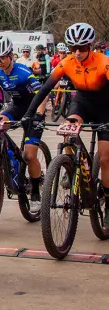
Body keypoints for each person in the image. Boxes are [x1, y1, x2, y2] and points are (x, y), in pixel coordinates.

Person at [23, 23, 109, 227]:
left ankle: (108, 201)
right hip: (82, 103)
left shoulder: (103, 61)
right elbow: (45, 89)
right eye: (73, 48)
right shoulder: (67, 62)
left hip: (105, 106)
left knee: (106, 159)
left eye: (82, 48)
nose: (77, 52)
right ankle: (71, 164)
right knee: (68, 131)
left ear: (90, 46)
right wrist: (28, 114)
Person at [0, 35, 46, 212]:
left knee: (30, 156)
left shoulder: (23, 72)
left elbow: (42, 95)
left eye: (2, 58)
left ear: (11, 55)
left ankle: (35, 192)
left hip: (33, 108)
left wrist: (38, 114)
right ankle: (8, 160)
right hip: (16, 107)